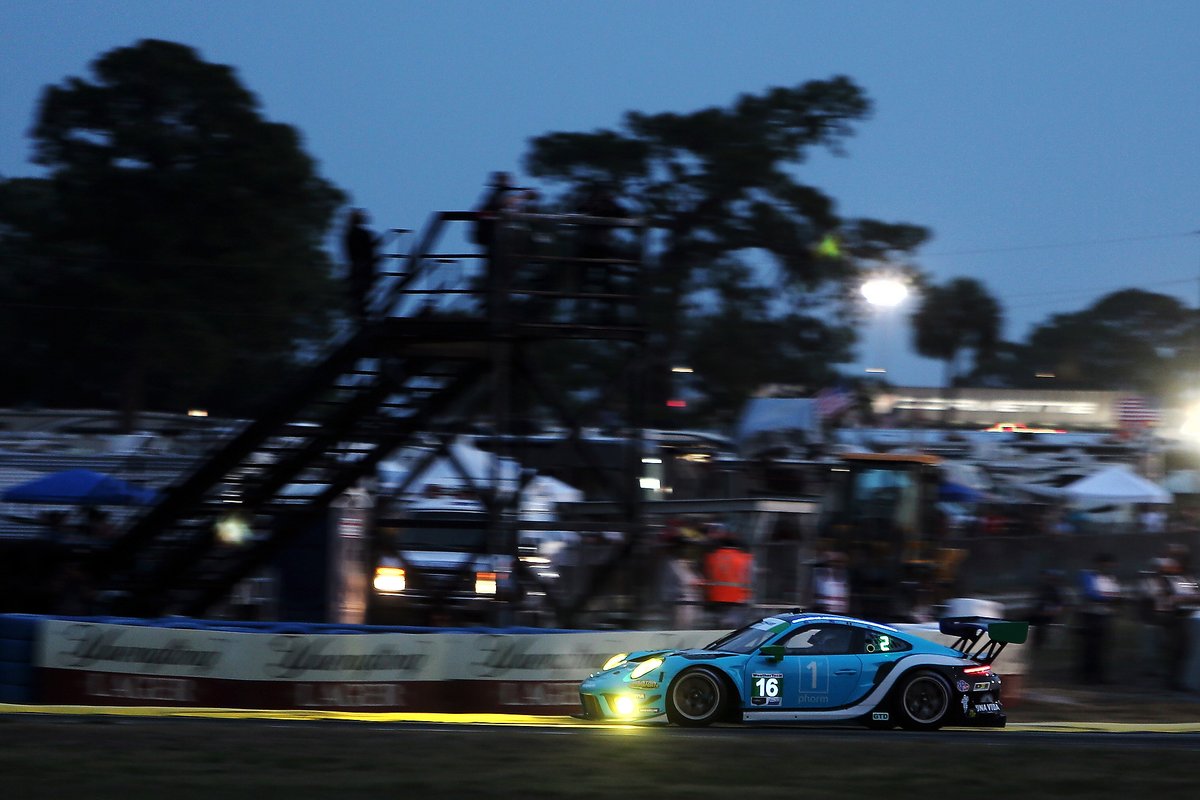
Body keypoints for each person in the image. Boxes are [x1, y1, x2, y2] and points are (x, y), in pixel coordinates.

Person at [1075, 553, 1121, 685]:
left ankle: (1100, 674)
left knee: (1104, 647)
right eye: (1106, 564)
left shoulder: (1111, 578)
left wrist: (1108, 597)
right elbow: (1090, 594)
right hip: (1091, 615)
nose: (1109, 567)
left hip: (1106, 615)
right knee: (1090, 646)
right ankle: (1086, 674)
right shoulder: (1088, 575)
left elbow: (1117, 595)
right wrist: (1108, 597)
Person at [701, 526, 753, 628]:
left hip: (715, 598)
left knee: (718, 627)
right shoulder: (745, 558)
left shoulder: (712, 556)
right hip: (737, 598)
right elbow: (751, 578)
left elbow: (707, 576)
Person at [342, 208, 379, 322]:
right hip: (363, 267)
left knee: (358, 294)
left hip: (357, 267)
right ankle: (361, 314)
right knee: (361, 293)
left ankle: (360, 315)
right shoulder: (363, 234)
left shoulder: (350, 234)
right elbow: (370, 253)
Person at [810, 551, 850, 615]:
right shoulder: (819, 574)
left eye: (839, 562)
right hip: (822, 610)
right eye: (834, 562)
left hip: (839, 612)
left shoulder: (845, 575)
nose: (837, 564)